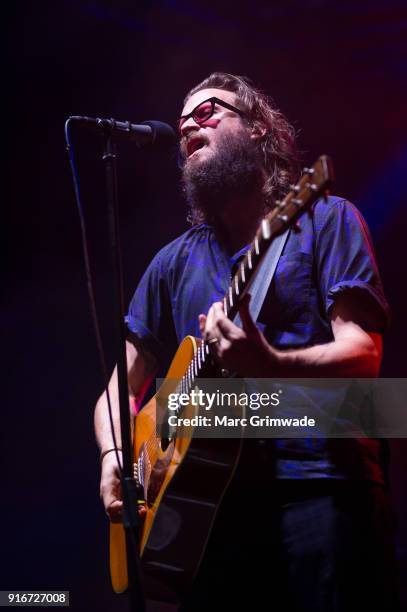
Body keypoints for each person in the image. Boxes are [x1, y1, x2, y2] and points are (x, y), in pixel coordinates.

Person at [94, 73, 399, 611]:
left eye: (209, 110)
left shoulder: (324, 220)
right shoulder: (172, 261)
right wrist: (116, 453)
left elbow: (364, 356)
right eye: (185, 116)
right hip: (209, 522)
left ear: (259, 129)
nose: (189, 122)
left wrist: (272, 361)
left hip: (319, 489)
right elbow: (119, 389)